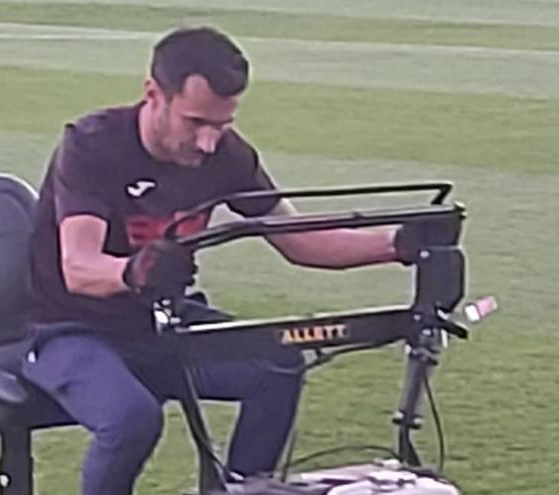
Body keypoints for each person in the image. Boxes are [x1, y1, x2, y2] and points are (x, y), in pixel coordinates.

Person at [24, 26, 424, 495]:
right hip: (66, 330)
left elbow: (299, 241)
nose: (209, 142)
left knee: (278, 368)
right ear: (154, 94)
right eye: (195, 122)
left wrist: (400, 243)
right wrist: (134, 271)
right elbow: (80, 268)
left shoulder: (226, 156)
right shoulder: (92, 145)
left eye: (222, 125)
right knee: (132, 419)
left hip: (162, 322)